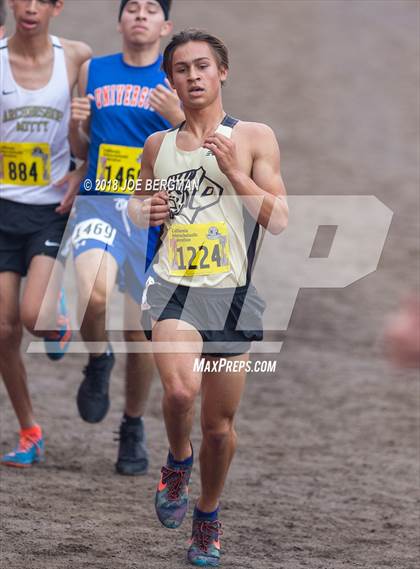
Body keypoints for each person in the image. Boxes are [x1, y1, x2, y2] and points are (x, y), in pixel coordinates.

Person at [128, 29, 288, 567]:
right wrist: (143, 211)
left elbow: (280, 218)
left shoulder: (255, 136)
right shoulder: (158, 146)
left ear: (223, 73)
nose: (192, 76)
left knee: (219, 428)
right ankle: (177, 460)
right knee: (179, 392)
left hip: (231, 295)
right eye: (181, 69)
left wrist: (237, 174)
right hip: (172, 287)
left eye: (202, 67)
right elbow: (138, 203)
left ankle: (208, 513)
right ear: (169, 79)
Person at [69, 0, 183, 475]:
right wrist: (78, 126)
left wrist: (179, 115)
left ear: (165, 25)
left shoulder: (176, 75)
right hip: (99, 201)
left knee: (141, 333)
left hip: (151, 215)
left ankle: (132, 424)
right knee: (93, 296)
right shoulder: (93, 70)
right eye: (131, 8)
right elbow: (79, 149)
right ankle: (98, 358)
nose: (140, 15)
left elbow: (198, 147)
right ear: (119, 21)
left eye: (150, 9)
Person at [0, 0, 91, 468]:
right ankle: (30, 430)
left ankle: (56, 311)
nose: (30, 8)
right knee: (2, 330)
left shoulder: (76, 56)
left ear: (57, 7)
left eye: (42, 0)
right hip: (2, 209)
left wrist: (82, 170)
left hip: (48, 209)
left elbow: (91, 132)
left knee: (34, 317)